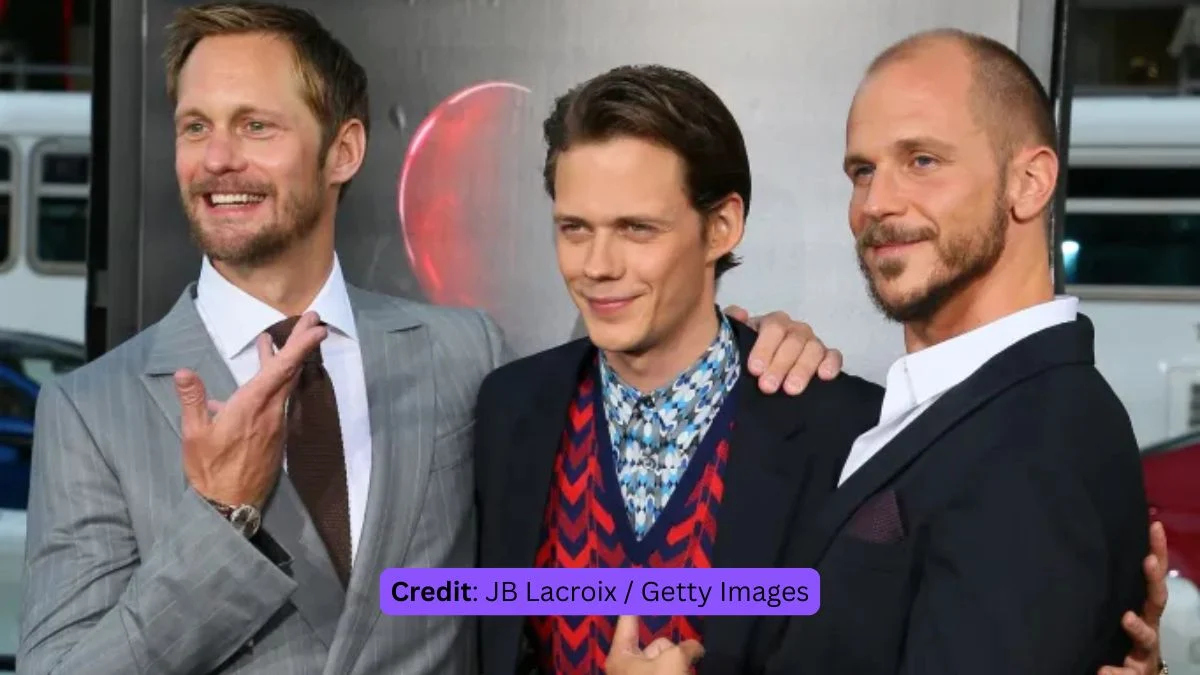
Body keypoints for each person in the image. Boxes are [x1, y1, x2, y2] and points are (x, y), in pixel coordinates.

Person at [16, 3, 841, 674]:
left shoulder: (465, 356)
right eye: (195, 127)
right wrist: (221, 520)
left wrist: (748, 341)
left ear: (344, 149)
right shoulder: (91, 411)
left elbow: (643, 356)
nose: (217, 158)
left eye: (256, 126)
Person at [604, 30, 1171, 675]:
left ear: (1030, 181)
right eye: (863, 171)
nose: (875, 203)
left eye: (923, 160)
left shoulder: (1032, 449)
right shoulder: (961, 408)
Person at [474, 65, 884, 675]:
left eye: (637, 229)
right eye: (574, 229)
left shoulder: (845, 432)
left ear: (721, 226)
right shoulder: (510, 408)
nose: (598, 265)